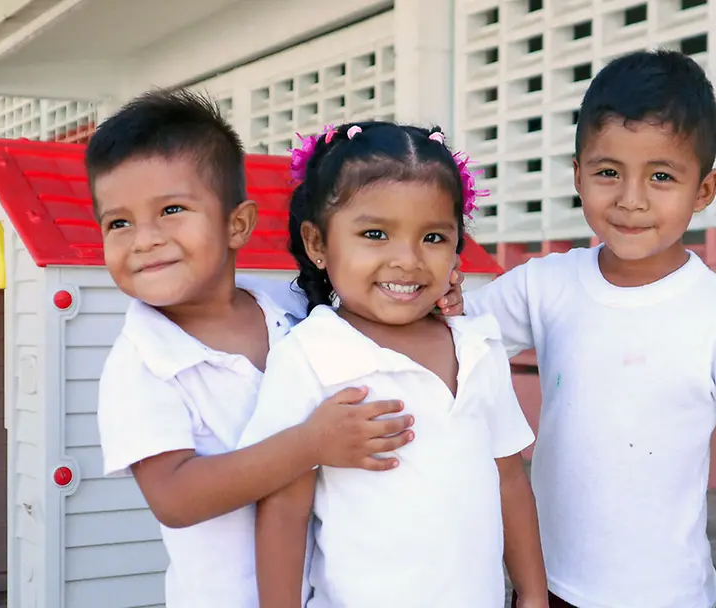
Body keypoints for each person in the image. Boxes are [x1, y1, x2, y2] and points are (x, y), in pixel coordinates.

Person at [91, 91, 459, 608]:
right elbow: (175, 497)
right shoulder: (141, 364)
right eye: (118, 222)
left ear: (237, 223)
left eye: (171, 210)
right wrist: (309, 445)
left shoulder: (294, 307)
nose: (144, 239)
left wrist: (434, 299)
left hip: (335, 588)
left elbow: (377, 298)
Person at [462, 49, 716, 608]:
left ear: (705, 190)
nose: (631, 199)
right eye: (608, 172)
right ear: (578, 175)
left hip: (666, 595)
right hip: (547, 587)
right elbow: (449, 331)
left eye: (661, 175)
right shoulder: (547, 284)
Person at [241, 121, 548, 608]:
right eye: (376, 233)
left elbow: (509, 480)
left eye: (433, 237)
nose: (407, 260)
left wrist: (533, 593)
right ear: (318, 244)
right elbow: (283, 509)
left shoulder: (477, 347)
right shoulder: (312, 356)